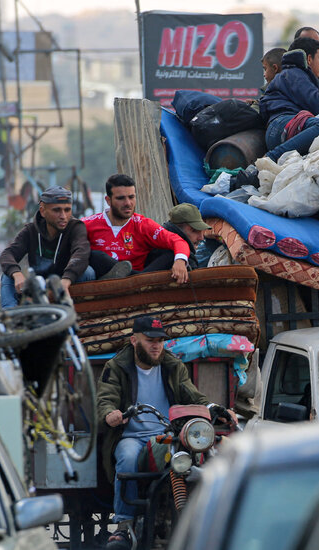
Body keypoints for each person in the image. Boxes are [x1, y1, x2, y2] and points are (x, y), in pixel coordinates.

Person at [97, 316, 225, 550]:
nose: (156, 346)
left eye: (160, 341)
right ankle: (124, 526)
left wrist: (213, 408)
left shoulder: (172, 365)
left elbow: (192, 395)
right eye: (150, 340)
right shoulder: (117, 366)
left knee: (204, 457)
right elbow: (106, 396)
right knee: (126, 459)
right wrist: (110, 414)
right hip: (132, 437)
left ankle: (204, 521)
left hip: (168, 435)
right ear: (134, 340)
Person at [259, 37, 319, 163]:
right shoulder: (294, 73)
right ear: (309, 59)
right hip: (280, 127)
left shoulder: (297, 74)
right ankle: (270, 158)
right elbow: (316, 102)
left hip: (290, 128)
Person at [83, 174, 191, 284]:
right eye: (121, 198)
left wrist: (180, 261)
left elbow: (177, 241)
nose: (128, 203)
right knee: (93, 255)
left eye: (131, 197)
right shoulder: (87, 224)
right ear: (108, 200)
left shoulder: (143, 224)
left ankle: (136, 278)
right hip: (102, 279)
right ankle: (134, 278)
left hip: (137, 280)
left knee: (171, 254)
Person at [0, 186, 93, 308]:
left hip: (66, 281)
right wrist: (16, 273)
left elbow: (81, 253)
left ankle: (73, 308)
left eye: (67, 210)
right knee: (7, 275)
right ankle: (11, 315)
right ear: (43, 211)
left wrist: (65, 281)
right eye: (57, 210)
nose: (63, 216)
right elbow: (7, 254)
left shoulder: (76, 227)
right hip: (40, 285)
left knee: (87, 271)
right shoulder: (30, 231)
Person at [162, 203, 212, 270]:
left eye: (201, 231)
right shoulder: (172, 257)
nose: (201, 238)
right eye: (194, 231)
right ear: (178, 230)